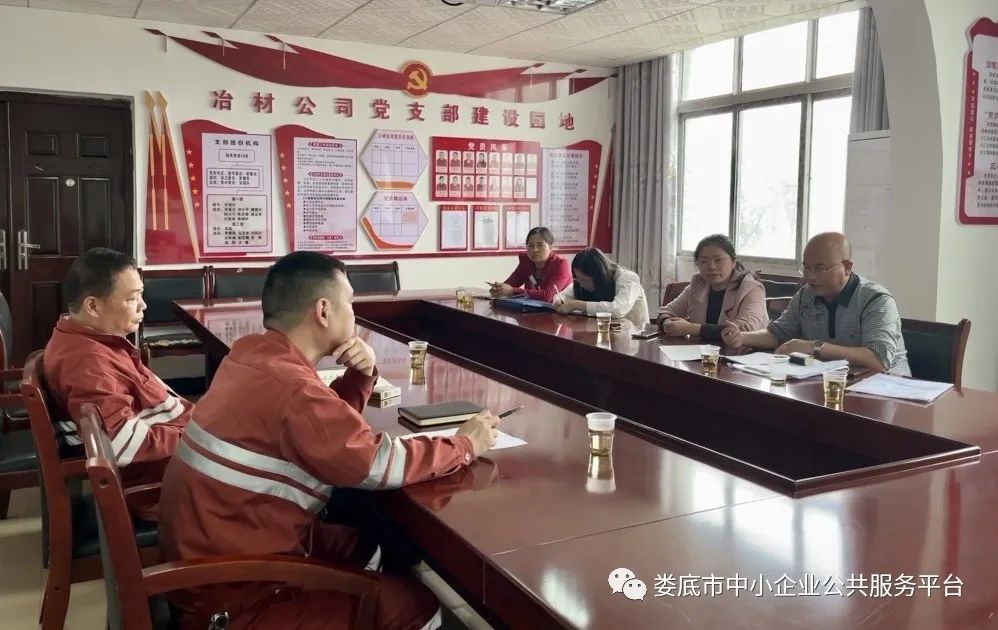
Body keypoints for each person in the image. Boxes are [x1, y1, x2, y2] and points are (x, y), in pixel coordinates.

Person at [159, 251, 501, 630]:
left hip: (215, 555)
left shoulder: (250, 355)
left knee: (368, 549)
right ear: (323, 311)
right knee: (415, 607)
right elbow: (375, 464)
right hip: (233, 597)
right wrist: (464, 445)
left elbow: (322, 434)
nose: (354, 312)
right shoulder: (293, 388)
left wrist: (360, 376)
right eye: (350, 302)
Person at [44, 247, 191, 519]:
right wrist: (198, 436)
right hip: (166, 481)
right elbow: (123, 445)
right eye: (132, 298)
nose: (143, 305)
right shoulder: (88, 363)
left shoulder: (89, 339)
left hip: (176, 453)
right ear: (92, 306)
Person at [723, 232, 910, 375]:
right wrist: (742, 337)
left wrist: (815, 347)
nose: (810, 276)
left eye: (820, 268)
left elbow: (878, 359)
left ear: (847, 267)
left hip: (885, 389)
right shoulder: (806, 295)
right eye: (806, 267)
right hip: (829, 381)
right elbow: (778, 333)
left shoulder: (876, 300)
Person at [658, 234, 768, 341]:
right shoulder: (698, 283)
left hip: (746, 352)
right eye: (703, 261)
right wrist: (667, 323)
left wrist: (692, 329)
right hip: (700, 351)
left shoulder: (752, 288)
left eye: (718, 260)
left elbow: (743, 330)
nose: (711, 267)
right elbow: (666, 312)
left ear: (733, 261)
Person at [553, 248, 650, 327]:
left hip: (634, 338)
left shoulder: (628, 278)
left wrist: (576, 305)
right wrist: (558, 301)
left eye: (585, 280)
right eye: (578, 279)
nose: (581, 285)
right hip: (603, 333)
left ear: (599, 276)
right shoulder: (581, 282)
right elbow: (563, 295)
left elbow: (617, 309)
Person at [489, 227, 572, 302]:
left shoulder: (560, 264)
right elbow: (509, 284)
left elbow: (548, 296)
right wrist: (498, 289)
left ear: (550, 248)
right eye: (531, 245)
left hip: (562, 310)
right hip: (532, 310)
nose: (535, 249)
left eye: (540, 245)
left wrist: (512, 291)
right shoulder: (526, 262)